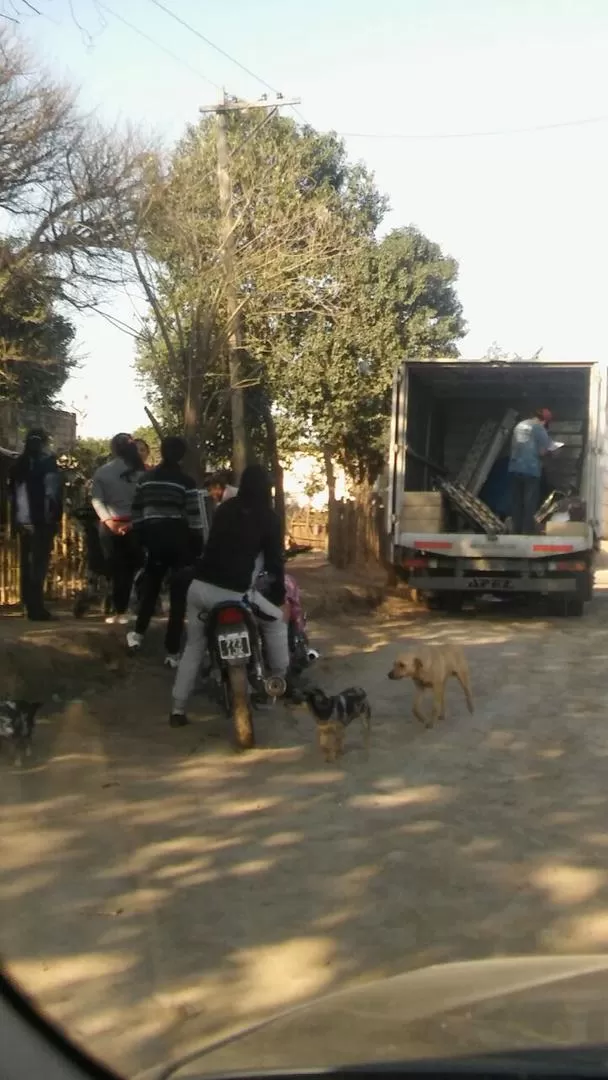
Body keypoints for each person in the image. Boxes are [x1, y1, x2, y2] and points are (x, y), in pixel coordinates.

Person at [170, 464, 289, 727]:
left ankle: (178, 708)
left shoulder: (225, 509)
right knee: (276, 621)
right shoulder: (269, 518)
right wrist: (278, 595)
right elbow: (274, 563)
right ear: (266, 488)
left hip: (199, 588)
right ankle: (279, 679)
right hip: (235, 594)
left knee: (194, 646)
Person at [126, 436, 204, 668]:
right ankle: (172, 653)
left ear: (161, 451)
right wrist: (197, 547)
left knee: (151, 589)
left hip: (154, 541)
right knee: (178, 598)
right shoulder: (186, 482)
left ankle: (137, 636)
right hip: (179, 542)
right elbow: (194, 519)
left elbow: (137, 512)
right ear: (181, 456)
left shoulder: (146, 480)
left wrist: (141, 539)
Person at [91, 433, 145, 624]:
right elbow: (145, 503)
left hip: (109, 526)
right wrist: (131, 523)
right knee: (131, 569)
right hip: (135, 526)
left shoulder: (102, 472)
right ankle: (127, 609)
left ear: (113, 449)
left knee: (115, 568)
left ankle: (118, 610)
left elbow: (97, 501)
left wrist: (109, 521)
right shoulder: (142, 473)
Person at [9, 429, 62, 621]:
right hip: (42, 521)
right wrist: (55, 517)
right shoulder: (47, 465)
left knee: (26, 564)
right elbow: (52, 493)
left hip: (23, 521)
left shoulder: (18, 465)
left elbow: (13, 496)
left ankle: (27, 604)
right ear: (44, 443)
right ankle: (36, 608)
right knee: (38, 565)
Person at [508, 408, 554, 534]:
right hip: (531, 469)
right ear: (544, 421)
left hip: (515, 468)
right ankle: (527, 532)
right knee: (530, 503)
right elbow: (542, 451)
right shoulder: (539, 428)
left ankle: (515, 530)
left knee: (516, 501)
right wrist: (552, 451)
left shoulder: (519, 426)